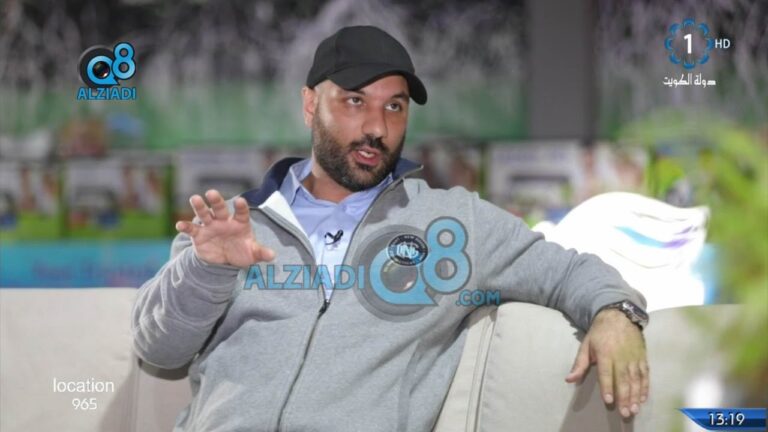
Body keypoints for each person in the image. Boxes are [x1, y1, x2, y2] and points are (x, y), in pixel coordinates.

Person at [132, 25, 649, 432]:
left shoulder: (451, 224)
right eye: (355, 101)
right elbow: (158, 349)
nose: (377, 128)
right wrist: (207, 270)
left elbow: (568, 272)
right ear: (311, 104)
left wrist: (616, 313)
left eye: (394, 107)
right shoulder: (232, 225)